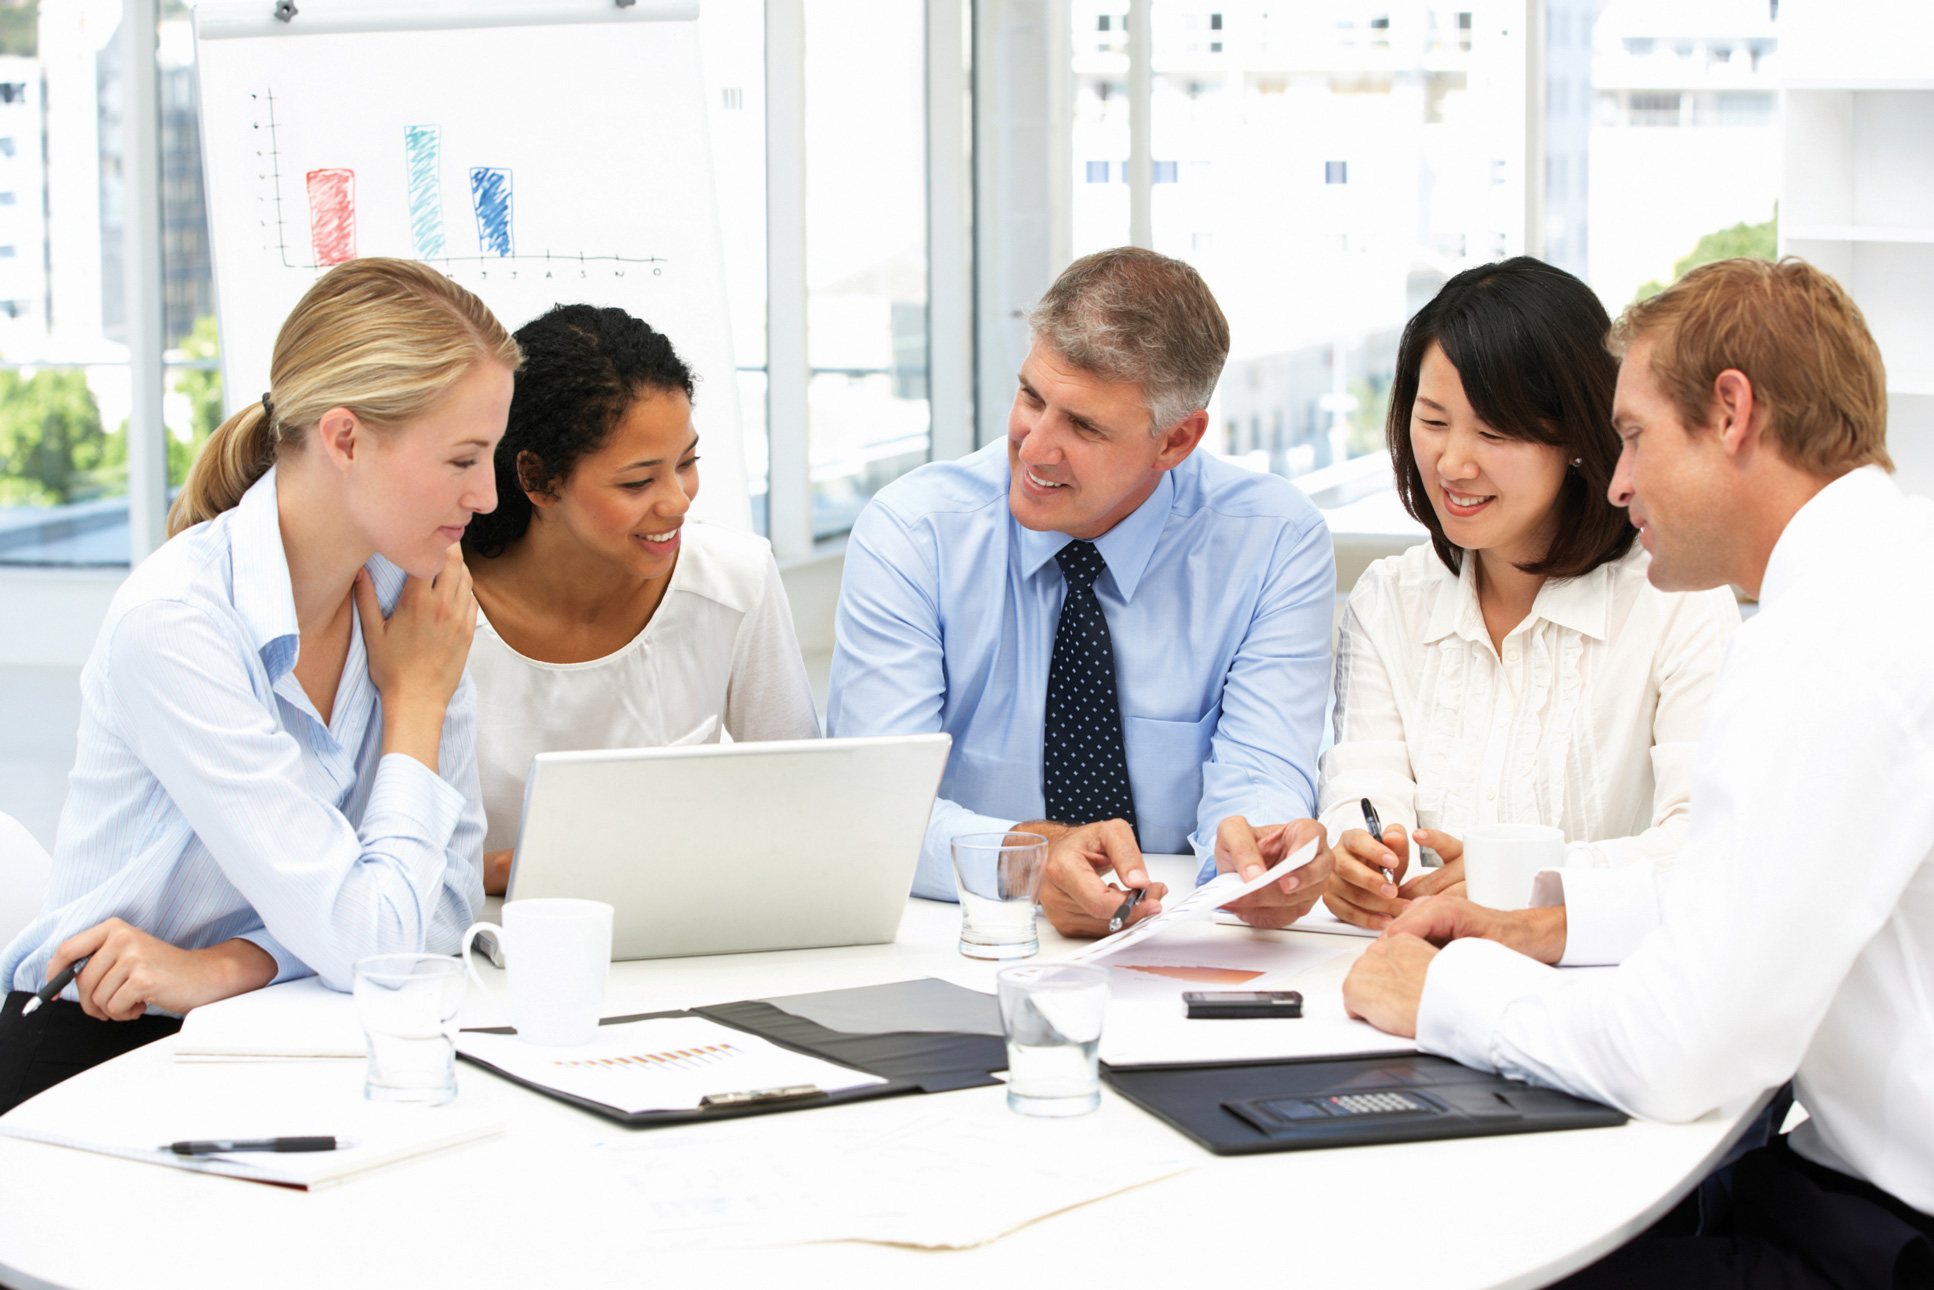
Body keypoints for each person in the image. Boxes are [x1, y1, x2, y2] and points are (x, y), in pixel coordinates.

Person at [1343, 257, 1934, 1286]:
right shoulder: (1885, 573)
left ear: (1731, 414)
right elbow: (1736, 885)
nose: (1616, 482)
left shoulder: (1823, 642)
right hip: (1841, 1182)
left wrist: (1443, 992)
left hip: (1884, 1232)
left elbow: (1676, 1052)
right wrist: (1545, 922)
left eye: (1630, 436)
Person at [0, 258, 517, 1114]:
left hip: (288, 1037)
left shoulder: (416, 603)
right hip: (94, 1053)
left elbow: (439, 928)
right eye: (463, 458)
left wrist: (228, 966)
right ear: (345, 439)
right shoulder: (178, 625)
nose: (488, 495)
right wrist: (416, 709)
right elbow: (370, 947)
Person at [827, 246, 1337, 937]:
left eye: (1084, 426)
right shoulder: (914, 534)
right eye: (1032, 397)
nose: (1034, 448)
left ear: (1176, 440)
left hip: (1185, 936)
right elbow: (872, 810)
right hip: (959, 940)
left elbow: (1260, 774)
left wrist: (1260, 858)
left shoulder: (1274, 541)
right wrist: (1031, 862)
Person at [1319, 258, 1738, 932]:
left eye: (1493, 432)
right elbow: (1363, 787)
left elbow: (1707, 844)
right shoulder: (1389, 600)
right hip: (1409, 967)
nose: (1454, 464)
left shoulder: (1676, 600)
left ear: (1575, 435)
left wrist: (1518, 881)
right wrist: (1361, 857)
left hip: (1593, 989)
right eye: (1432, 421)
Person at [462, 305, 818, 894]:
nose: (677, 501)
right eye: (637, 482)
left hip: (679, 938)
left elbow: (802, 807)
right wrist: (504, 870)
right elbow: (379, 854)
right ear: (537, 478)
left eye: (687, 463)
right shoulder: (437, 606)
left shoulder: (735, 578)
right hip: (482, 949)